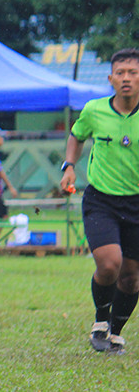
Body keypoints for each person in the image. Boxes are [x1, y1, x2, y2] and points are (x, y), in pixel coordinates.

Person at [62, 48, 139, 355]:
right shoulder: (94, 110)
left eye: (133, 73)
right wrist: (69, 166)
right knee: (110, 264)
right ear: (110, 79)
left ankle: (115, 333)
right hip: (101, 201)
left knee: (132, 278)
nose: (126, 79)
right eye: (120, 73)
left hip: (136, 203)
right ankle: (100, 322)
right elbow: (76, 135)